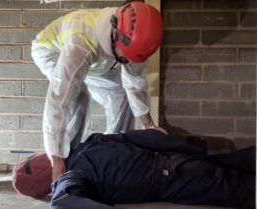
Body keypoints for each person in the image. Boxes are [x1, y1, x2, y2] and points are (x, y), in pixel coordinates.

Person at [31, 1, 165, 181]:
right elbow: (59, 100)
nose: (127, 61)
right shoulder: (81, 44)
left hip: (95, 57)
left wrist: (149, 124)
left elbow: (134, 83)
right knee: (78, 97)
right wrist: (56, 159)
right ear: (115, 34)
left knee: (120, 93)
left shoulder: (135, 40)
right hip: (51, 50)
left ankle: (114, 154)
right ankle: (67, 161)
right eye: (124, 57)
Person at [48, 129, 255, 209]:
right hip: (173, 161)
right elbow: (139, 137)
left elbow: (63, 200)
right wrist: (188, 145)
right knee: (230, 163)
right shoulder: (89, 144)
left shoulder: (71, 177)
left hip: (171, 178)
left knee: (240, 190)